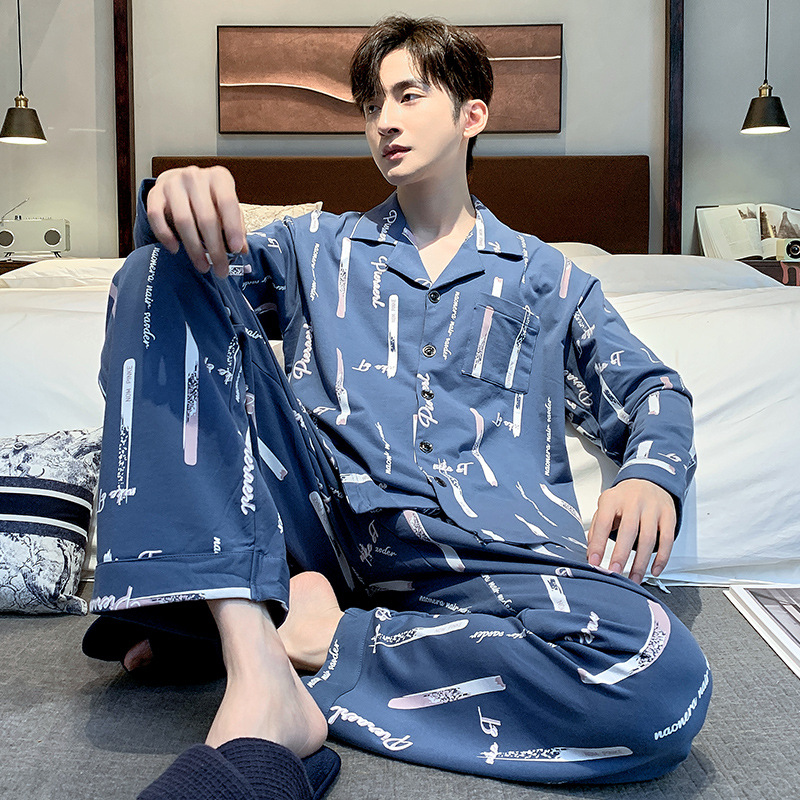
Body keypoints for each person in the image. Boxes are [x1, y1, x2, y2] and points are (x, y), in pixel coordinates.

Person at [85, 15, 710, 788]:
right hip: (320, 524)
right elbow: (190, 296)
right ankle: (253, 659)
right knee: (154, 273)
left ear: (472, 114)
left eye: (408, 96)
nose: (384, 120)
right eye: (371, 104)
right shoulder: (311, 245)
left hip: (484, 559)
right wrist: (171, 202)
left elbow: (651, 389)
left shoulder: (550, 280)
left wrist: (651, 474)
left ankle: (308, 639)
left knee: (661, 675)